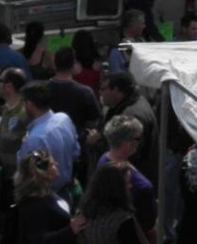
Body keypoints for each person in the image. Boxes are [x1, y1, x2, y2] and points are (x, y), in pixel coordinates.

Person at [17, 81, 80, 200]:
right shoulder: (64, 119)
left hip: (47, 198)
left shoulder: (35, 138)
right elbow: (76, 152)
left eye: (22, 103)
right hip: (68, 190)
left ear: (29, 104)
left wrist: (24, 144)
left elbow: (24, 171)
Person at [47, 48, 101, 185]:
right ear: (73, 64)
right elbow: (96, 118)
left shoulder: (43, 89)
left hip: (49, 145)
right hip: (78, 146)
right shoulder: (85, 92)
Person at [96, 116, 156, 237]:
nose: (140, 142)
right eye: (138, 138)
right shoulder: (142, 186)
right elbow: (148, 223)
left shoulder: (103, 160)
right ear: (128, 144)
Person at [98, 72, 158, 186]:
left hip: (131, 181)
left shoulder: (132, 116)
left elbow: (129, 153)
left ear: (116, 90)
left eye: (103, 89)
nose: (100, 93)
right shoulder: (132, 102)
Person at [70, 30, 103, 95]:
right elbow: (101, 85)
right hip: (94, 101)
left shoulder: (74, 67)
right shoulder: (97, 65)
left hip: (79, 102)